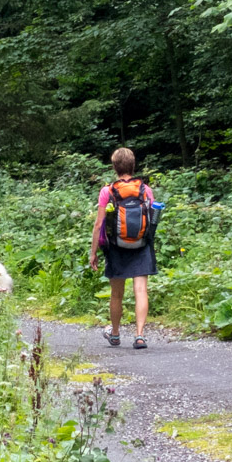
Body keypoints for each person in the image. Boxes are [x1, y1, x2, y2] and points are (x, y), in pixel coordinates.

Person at [88, 147, 157, 348]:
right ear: (133, 166)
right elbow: (152, 219)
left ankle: (116, 334)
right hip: (141, 245)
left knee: (116, 293)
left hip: (116, 246)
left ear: (115, 167)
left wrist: (93, 252)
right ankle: (140, 335)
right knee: (141, 290)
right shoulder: (145, 190)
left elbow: (99, 224)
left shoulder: (107, 191)